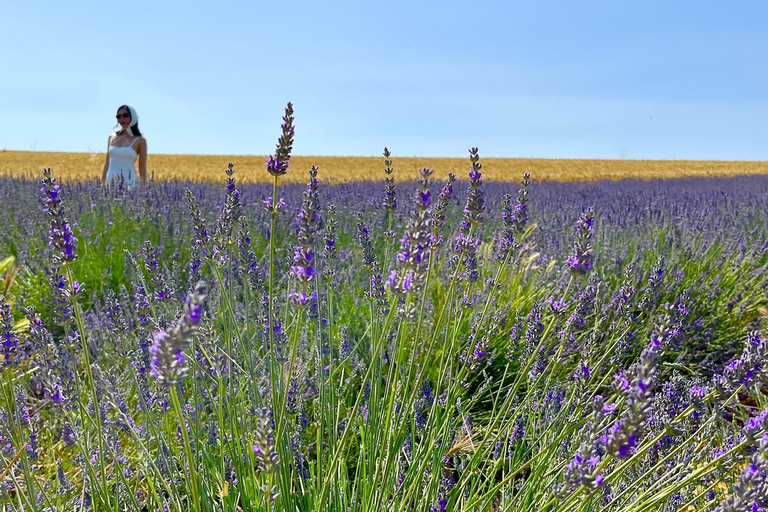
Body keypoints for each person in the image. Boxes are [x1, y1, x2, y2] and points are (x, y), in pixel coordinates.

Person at [102, 105, 147, 188]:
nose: (121, 118)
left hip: (130, 183)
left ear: (133, 117)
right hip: (110, 183)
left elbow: (142, 167)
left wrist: (144, 189)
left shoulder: (140, 140)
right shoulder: (111, 137)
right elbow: (107, 163)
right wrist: (102, 184)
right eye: (118, 116)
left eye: (125, 115)